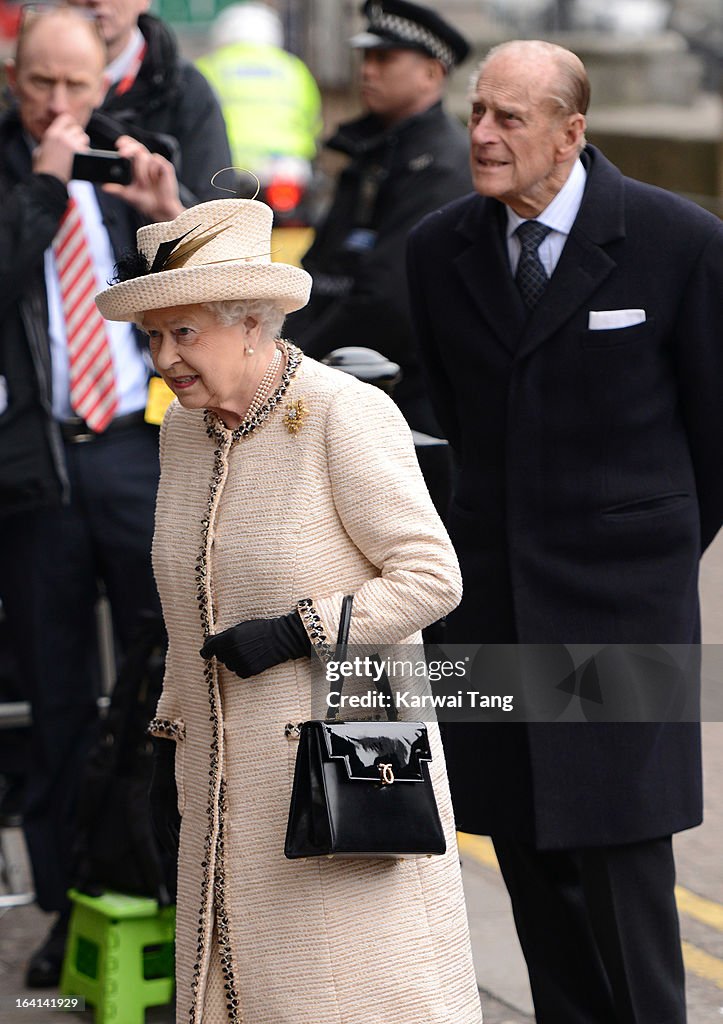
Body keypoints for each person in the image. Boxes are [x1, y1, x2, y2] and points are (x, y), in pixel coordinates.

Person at [95, 196, 484, 1024]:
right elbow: (187, 589)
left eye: (184, 333)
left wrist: (294, 632)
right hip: (218, 764)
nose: (166, 359)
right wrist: (174, 719)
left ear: (250, 323)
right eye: (153, 337)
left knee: (344, 990)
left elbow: (429, 577)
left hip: (340, 761)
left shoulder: (344, 413)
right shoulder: (185, 433)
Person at [407, 39, 723, 1024]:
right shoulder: (438, 249)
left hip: (622, 614)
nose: (486, 135)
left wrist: (646, 554)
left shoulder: (681, 243)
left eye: (511, 117)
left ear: (571, 132)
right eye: (478, 115)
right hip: (492, 615)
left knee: (627, 878)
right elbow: (448, 426)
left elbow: (715, 441)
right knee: (531, 870)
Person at [0, 3, 184, 987]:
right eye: (41, 84)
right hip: (37, 468)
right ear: (14, 76)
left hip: (134, 448)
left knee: (170, 680)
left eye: (77, 85)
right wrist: (41, 181)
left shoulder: (131, 153)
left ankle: (167, 883)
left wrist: (166, 216)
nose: (60, 105)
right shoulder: (14, 164)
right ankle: (65, 912)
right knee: (58, 699)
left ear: (104, 77)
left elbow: (203, 299)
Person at [286, 0, 472, 435]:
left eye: (384, 58)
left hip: (404, 394)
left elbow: (389, 298)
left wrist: (295, 360)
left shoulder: (443, 163)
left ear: (431, 73)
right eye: (366, 57)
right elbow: (321, 266)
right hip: (345, 376)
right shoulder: (372, 148)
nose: (368, 71)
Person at [68, 0, 231, 204]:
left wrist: (170, 212)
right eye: (42, 82)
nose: (95, 1)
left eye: (73, 85)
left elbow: (217, 215)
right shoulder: (29, 94)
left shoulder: (187, 89)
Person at [196, 2, 321, 187]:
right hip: (290, 168)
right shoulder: (294, 69)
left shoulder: (208, 68)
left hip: (231, 168)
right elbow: (314, 122)